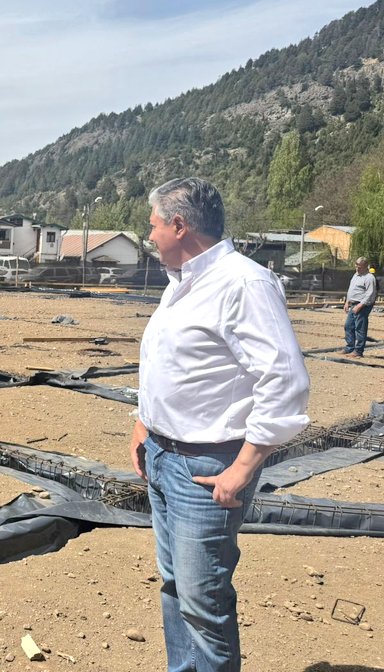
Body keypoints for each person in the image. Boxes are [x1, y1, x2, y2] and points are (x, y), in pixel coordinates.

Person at [129, 177, 310, 671]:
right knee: (174, 587)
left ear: (180, 226)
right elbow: (173, 366)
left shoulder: (243, 282)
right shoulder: (182, 283)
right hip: (164, 458)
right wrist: (144, 423)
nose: (150, 237)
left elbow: (285, 381)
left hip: (207, 469)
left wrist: (245, 465)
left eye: (154, 227)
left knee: (203, 603)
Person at [342, 257, 376, 357]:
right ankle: (350, 348)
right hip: (353, 304)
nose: (357, 268)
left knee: (360, 328)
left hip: (362, 305)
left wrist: (360, 305)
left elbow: (370, 294)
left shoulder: (369, 278)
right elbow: (351, 289)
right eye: (356, 266)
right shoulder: (355, 275)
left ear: (366, 267)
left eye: (359, 267)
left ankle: (358, 351)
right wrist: (347, 302)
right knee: (348, 326)